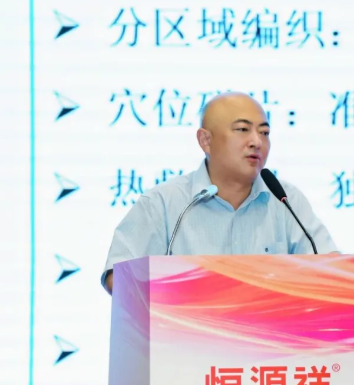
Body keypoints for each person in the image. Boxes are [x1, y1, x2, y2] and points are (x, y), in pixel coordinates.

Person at [101, 92, 338, 294]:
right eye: (242, 129)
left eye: (264, 133)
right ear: (205, 140)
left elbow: (331, 269)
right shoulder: (163, 203)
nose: (256, 141)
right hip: (186, 333)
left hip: (272, 333)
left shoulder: (286, 200)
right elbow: (117, 277)